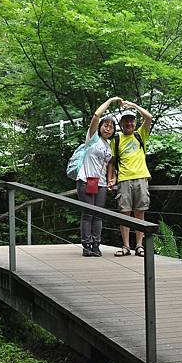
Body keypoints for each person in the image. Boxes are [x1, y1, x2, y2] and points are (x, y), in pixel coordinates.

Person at [107, 100, 153, 257]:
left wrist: (133, 106)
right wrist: (111, 178)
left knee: (140, 213)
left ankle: (139, 246)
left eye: (131, 120)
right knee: (124, 213)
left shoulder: (141, 135)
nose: (129, 123)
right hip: (124, 180)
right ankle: (126, 246)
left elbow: (149, 117)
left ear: (135, 123)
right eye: (126, 121)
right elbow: (112, 162)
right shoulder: (117, 140)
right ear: (121, 123)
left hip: (141, 178)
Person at [77, 97, 121, 256]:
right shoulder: (92, 138)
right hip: (86, 180)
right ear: (100, 127)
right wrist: (111, 101)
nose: (108, 129)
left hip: (101, 183)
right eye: (106, 125)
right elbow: (96, 115)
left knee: (98, 215)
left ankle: (96, 244)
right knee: (88, 214)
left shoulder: (110, 145)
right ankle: (86, 246)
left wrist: (112, 178)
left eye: (111, 127)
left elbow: (110, 163)